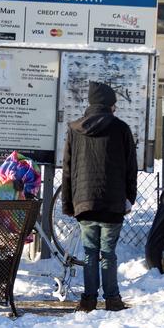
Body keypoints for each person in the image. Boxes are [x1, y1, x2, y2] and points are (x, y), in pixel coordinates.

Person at [61, 81, 137, 312]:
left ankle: (88, 300)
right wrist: (129, 198)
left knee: (90, 253)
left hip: (84, 200)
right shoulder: (121, 128)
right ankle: (112, 299)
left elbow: (68, 168)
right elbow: (130, 167)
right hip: (113, 202)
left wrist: (68, 203)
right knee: (108, 253)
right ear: (110, 105)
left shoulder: (75, 129)